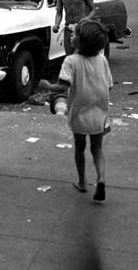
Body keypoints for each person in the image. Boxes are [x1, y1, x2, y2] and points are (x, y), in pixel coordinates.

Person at [39, 19, 112, 203]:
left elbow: (62, 88)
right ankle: (101, 178)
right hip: (100, 113)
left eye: (74, 34)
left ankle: (82, 182)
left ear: (80, 42)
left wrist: (48, 86)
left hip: (80, 113)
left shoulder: (71, 61)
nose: (71, 36)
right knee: (97, 148)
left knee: (80, 148)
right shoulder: (102, 60)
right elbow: (109, 85)